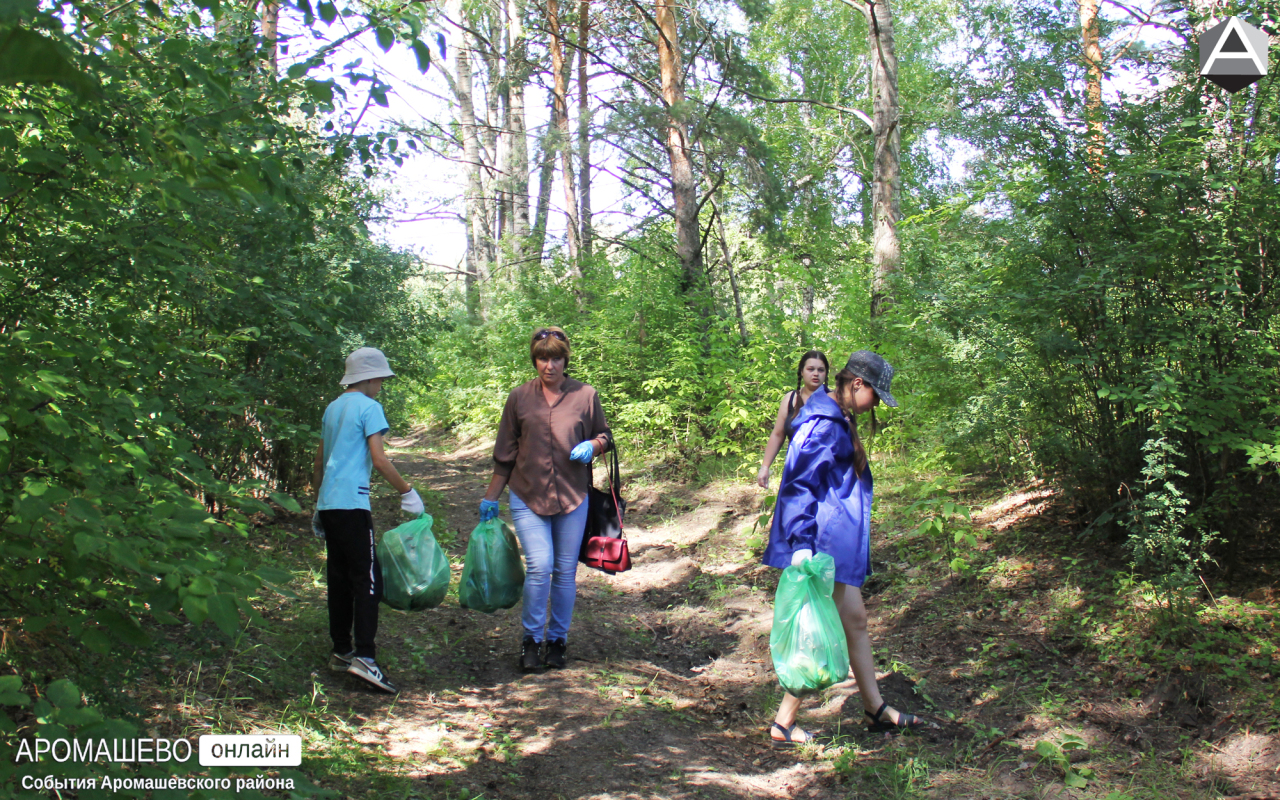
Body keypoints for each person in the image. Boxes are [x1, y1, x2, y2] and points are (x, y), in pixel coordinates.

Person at [761, 350, 929, 746]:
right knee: (821, 626)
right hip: (822, 541)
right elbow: (799, 483)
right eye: (876, 394)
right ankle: (784, 722)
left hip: (835, 537)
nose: (877, 404)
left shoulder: (839, 415)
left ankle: (875, 708)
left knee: (854, 621)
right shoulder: (823, 421)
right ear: (857, 384)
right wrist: (801, 543)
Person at [480, 326, 612, 672]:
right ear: (534, 360)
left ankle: (557, 641)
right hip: (527, 494)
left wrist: (593, 446)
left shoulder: (586, 395)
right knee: (540, 566)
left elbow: (605, 436)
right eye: (542, 358)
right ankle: (530, 641)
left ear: (565, 358)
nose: (549, 365)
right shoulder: (519, 397)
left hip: (573, 496)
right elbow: (505, 454)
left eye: (556, 358)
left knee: (565, 572)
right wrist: (490, 498)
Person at [312, 347, 424, 694]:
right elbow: (379, 458)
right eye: (381, 379)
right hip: (353, 505)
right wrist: (407, 491)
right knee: (368, 580)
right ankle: (366, 657)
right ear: (370, 378)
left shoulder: (333, 408)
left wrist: (318, 501)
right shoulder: (370, 407)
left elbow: (319, 461)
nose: (381, 386)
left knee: (340, 577)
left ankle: (341, 650)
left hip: (330, 505)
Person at [757, 350, 830, 489]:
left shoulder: (834, 400)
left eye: (821, 370)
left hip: (826, 476)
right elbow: (778, 434)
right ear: (802, 371)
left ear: (826, 373)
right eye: (810, 369)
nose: (816, 373)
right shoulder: (790, 399)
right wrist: (765, 467)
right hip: (795, 473)